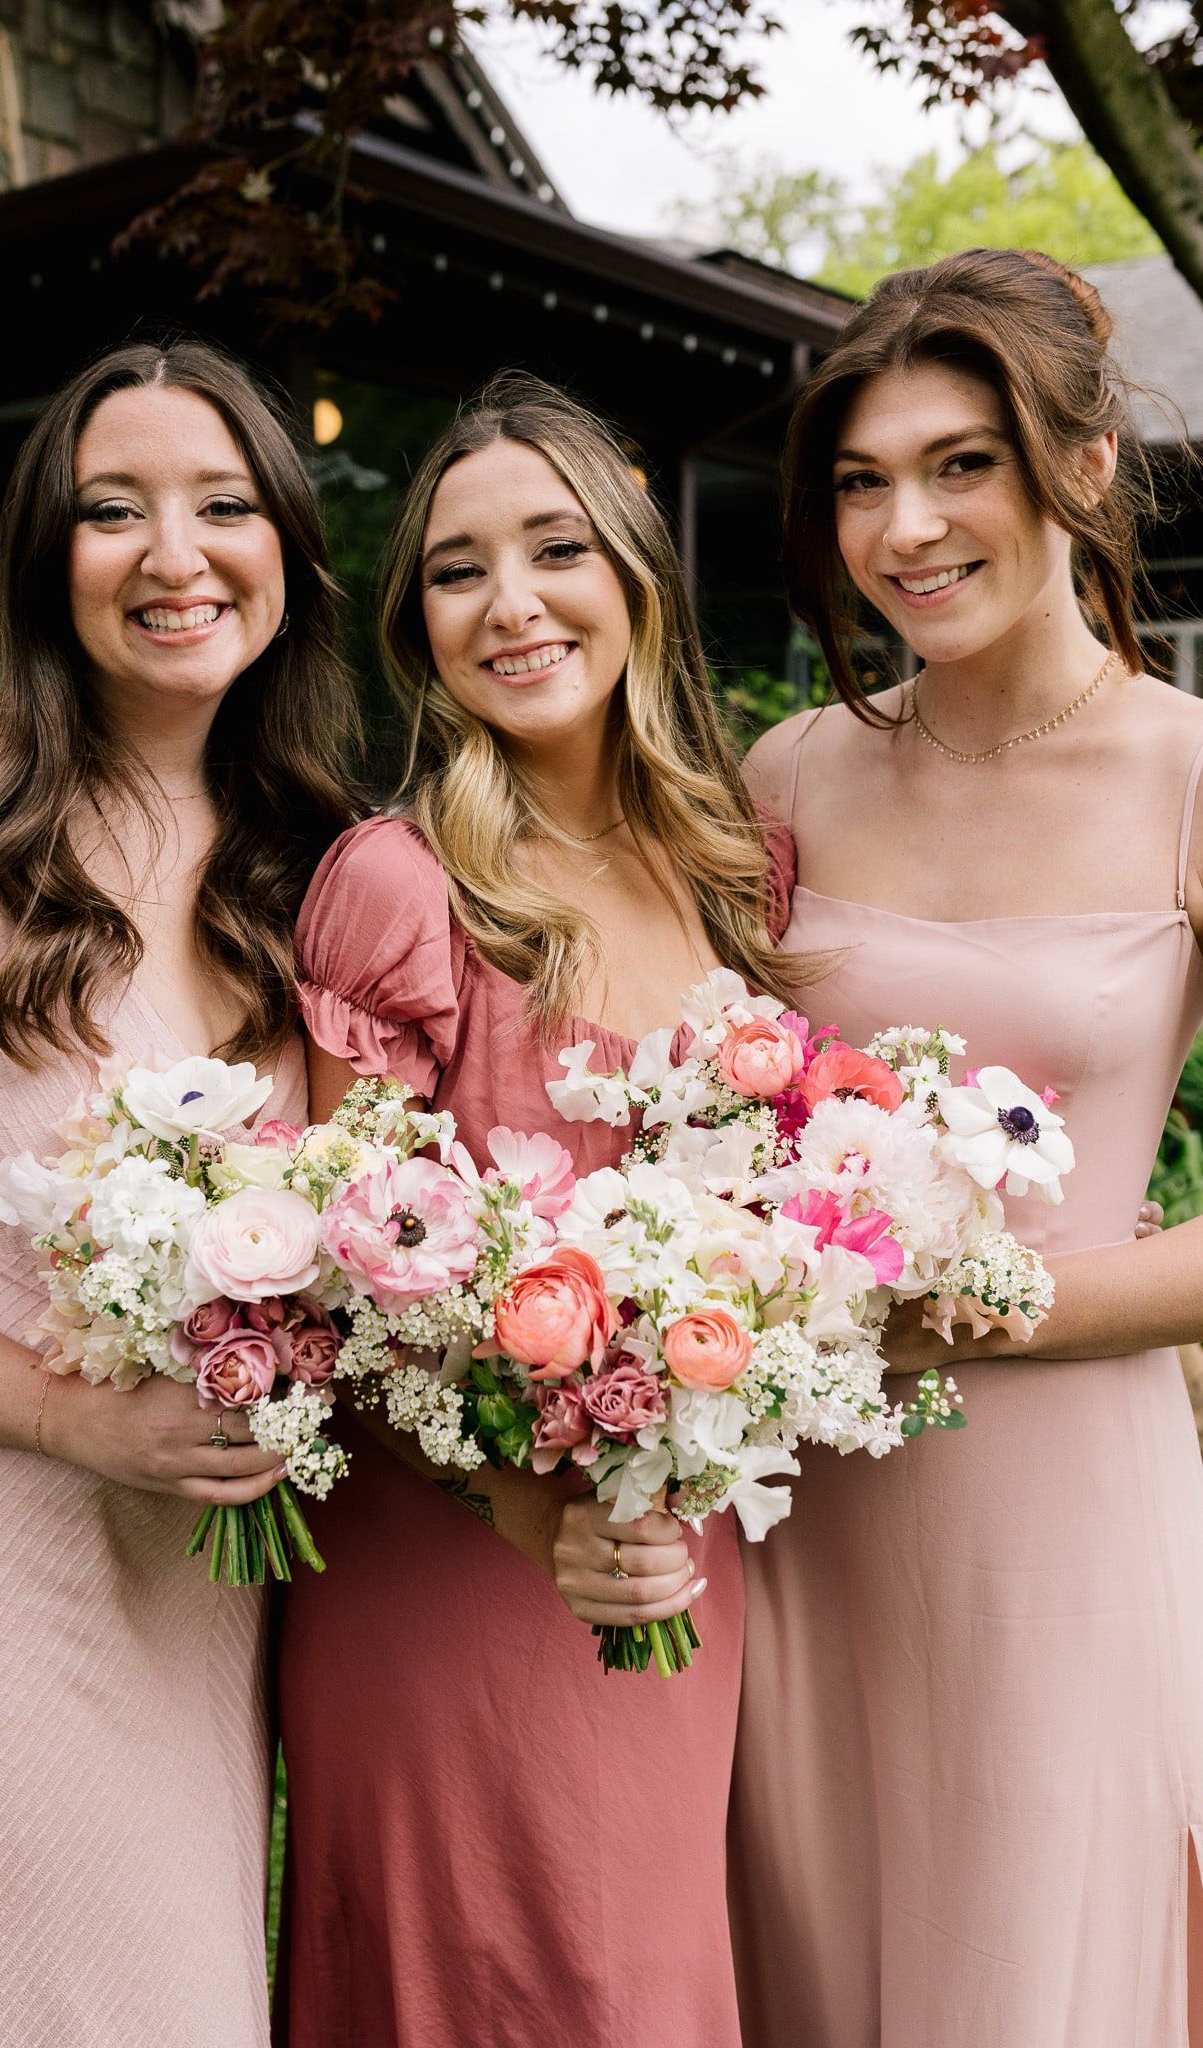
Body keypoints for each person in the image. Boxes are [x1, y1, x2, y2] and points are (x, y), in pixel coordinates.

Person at [0, 338, 359, 2047]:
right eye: (110, 510)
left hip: (218, 1596)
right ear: (47, 562)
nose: (174, 553)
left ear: (285, 545)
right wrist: (70, 1419)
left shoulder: (332, 869)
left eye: (221, 505)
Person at [273, 374, 794, 2048]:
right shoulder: (400, 881)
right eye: (455, 568)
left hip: (674, 1552)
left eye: (554, 546)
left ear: (635, 573)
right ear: (417, 629)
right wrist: (528, 1507)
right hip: (456, 1560)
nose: (510, 603)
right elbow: (344, 1293)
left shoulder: (736, 866)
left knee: (645, 1981)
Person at [734, 247, 1203, 2048]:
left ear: (1078, 471)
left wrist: (965, 1315)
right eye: (860, 480)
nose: (902, 527)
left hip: (1062, 1507)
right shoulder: (789, 774)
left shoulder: (1184, 776)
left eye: (958, 466)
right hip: (803, 1504)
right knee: (813, 1939)